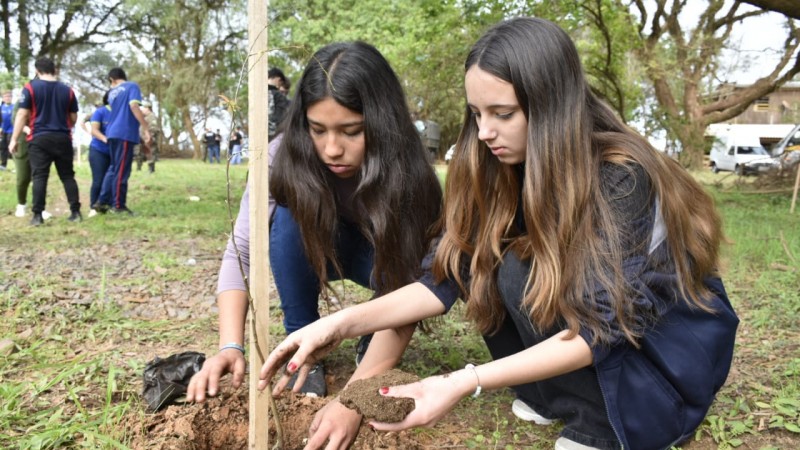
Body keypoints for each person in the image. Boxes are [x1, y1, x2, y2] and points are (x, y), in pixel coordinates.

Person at [256, 18, 739, 450]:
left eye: (502, 114)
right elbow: (442, 281)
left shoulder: (622, 178)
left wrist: (461, 381)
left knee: (527, 270)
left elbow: (601, 328)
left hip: (659, 361)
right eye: (477, 114)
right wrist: (337, 325)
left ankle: (605, 424)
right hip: (593, 335)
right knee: (501, 266)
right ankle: (554, 396)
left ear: (551, 105)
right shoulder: (501, 166)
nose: (485, 132)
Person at [185, 41, 443, 401]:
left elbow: (417, 282)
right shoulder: (281, 158)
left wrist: (359, 390)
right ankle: (302, 340)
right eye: (317, 130)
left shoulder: (408, 172)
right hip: (316, 250)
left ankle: (373, 329)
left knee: (406, 260)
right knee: (287, 216)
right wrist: (231, 346)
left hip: (384, 264)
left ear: (382, 122)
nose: (332, 148)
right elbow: (242, 251)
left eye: (352, 131)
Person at [9, 57, 82, 226]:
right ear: (54, 70)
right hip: (63, 138)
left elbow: (21, 115)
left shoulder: (30, 88)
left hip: (39, 138)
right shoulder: (68, 90)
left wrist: (14, 139)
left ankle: (37, 216)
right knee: (67, 176)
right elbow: (73, 117)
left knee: (40, 176)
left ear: (37, 71)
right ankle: (75, 212)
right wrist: (64, 127)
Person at [93, 67, 150, 215]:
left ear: (112, 80)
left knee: (114, 168)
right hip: (124, 132)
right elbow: (133, 106)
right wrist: (145, 127)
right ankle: (118, 205)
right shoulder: (132, 86)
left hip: (112, 132)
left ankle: (103, 201)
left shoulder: (112, 93)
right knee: (122, 170)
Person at [85, 93, 111, 216]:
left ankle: (108, 205)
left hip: (115, 151)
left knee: (111, 179)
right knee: (99, 179)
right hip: (98, 150)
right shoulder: (100, 112)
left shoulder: (121, 113)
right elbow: (94, 130)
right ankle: (93, 206)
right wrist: (104, 138)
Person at [136, 100, 159, 173]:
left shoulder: (151, 116)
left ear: (148, 108)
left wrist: (150, 136)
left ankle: (151, 169)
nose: (142, 110)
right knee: (139, 152)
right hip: (141, 137)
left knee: (150, 152)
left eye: (143, 108)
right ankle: (138, 167)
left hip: (148, 137)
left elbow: (153, 127)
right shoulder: (144, 117)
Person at [268, 67, 290, 140]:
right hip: (273, 136)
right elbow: (280, 118)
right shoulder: (278, 95)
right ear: (279, 80)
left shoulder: (257, 93)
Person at [1, 89, 13, 170]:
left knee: (12, 147)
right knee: (3, 148)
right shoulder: (1, 107)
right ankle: (3, 165)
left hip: (12, 131)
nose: (7, 98)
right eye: (5, 96)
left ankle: (17, 166)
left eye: (9, 96)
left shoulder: (14, 107)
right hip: (3, 131)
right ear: (3, 98)